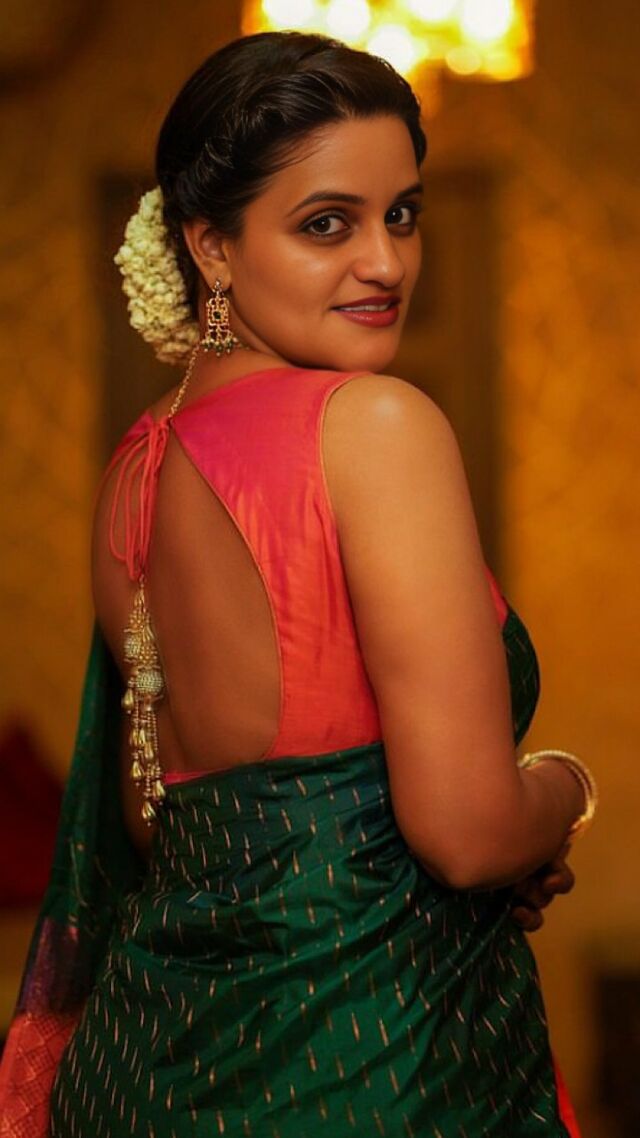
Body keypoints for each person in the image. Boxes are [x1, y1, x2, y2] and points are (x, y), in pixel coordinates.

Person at [0, 31, 596, 1138]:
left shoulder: (136, 467)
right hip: (361, 1070)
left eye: (401, 214)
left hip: (145, 1074)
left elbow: (154, 818)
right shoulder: (375, 426)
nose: (386, 263)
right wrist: (560, 790)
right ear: (209, 245)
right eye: (328, 223)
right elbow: (467, 831)